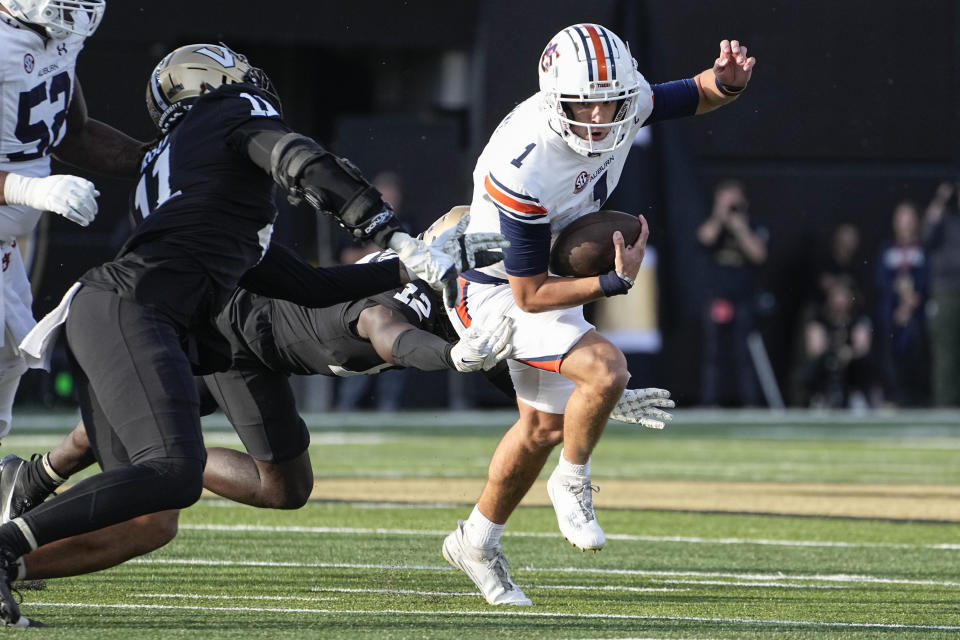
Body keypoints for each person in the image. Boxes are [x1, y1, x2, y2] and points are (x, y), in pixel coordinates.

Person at [0, 43, 507, 626]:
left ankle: (15, 549)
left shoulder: (202, 182)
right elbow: (303, 162)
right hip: (130, 309)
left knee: (149, 517)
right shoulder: (226, 113)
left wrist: (403, 267)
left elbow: (307, 288)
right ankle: (7, 542)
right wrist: (388, 230)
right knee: (173, 471)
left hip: (122, 312)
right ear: (208, 83)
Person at [0, 212, 515, 582]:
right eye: (486, 267)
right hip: (235, 332)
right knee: (155, 476)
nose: (495, 282)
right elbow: (383, 327)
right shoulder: (415, 295)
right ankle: (29, 529)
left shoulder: (438, 288)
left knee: (284, 489)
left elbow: (501, 368)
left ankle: (37, 475)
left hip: (267, 350)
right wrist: (449, 358)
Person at [439, 24, 754, 605]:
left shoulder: (619, 101)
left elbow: (695, 93)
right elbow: (528, 294)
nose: (604, 115)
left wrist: (727, 84)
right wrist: (612, 281)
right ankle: (573, 481)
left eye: (613, 99)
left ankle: (476, 540)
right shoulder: (524, 163)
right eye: (587, 104)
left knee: (542, 429)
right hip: (491, 290)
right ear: (558, 101)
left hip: (544, 275)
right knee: (606, 370)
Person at [0, 0, 146, 445]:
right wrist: (33, 190)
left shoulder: (58, 33)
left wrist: (162, 161)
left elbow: (72, 134)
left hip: (6, 252)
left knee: (6, 370)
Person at [696, 179, 768, 406]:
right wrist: (720, 216)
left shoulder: (753, 226)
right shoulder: (714, 228)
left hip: (744, 299)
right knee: (713, 354)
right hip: (717, 298)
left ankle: (750, 403)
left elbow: (759, 255)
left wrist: (740, 227)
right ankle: (709, 403)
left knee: (744, 354)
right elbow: (703, 238)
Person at [875, 200, 929, 406]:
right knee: (890, 347)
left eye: (909, 219)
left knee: (916, 348)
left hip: (917, 311)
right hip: (893, 311)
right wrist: (899, 305)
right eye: (901, 218)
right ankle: (892, 395)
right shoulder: (887, 249)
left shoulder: (922, 249)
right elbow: (881, 281)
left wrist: (913, 301)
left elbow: (926, 278)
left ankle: (918, 397)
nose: (905, 223)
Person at [798, 275, 874, 408]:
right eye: (836, 295)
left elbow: (862, 347)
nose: (839, 300)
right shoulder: (819, 318)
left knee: (862, 366)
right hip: (824, 372)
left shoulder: (859, 319)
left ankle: (858, 398)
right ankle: (817, 398)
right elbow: (814, 349)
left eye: (843, 296)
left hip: (852, 375)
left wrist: (850, 353)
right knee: (818, 367)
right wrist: (832, 351)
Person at [922, 181, 960, 406]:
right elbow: (926, 234)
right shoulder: (944, 219)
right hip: (946, 291)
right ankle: (945, 405)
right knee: (945, 352)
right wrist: (941, 198)